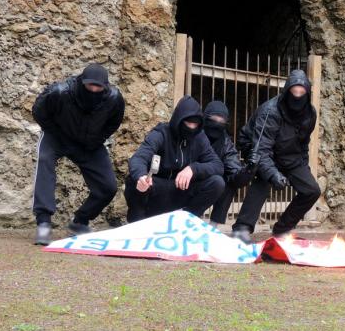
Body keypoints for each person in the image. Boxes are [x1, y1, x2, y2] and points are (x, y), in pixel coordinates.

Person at [31, 63, 125, 245]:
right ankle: (43, 222)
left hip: (88, 143)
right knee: (44, 161)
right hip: (57, 136)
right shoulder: (60, 92)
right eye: (90, 85)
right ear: (82, 82)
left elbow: (114, 122)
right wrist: (55, 133)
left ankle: (80, 221)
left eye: (99, 87)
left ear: (105, 87)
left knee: (108, 187)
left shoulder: (114, 98)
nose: (94, 90)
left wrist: (97, 140)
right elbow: (38, 111)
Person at [231, 70, 321, 242]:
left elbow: (303, 142)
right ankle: (241, 228)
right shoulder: (270, 111)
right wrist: (273, 174)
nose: (298, 96)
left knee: (312, 190)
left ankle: (282, 229)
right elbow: (262, 150)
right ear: (287, 91)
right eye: (294, 92)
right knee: (263, 178)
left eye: (302, 93)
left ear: (307, 94)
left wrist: (303, 167)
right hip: (257, 146)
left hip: (289, 152)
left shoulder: (310, 113)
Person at [124, 96, 225, 223]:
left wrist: (193, 169)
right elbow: (139, 158)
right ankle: (137, 224)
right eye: (188, 123)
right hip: (156, 191)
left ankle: (186, 221)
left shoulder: (199, 137)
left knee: (217, 182)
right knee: (134, 182)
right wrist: (141, 176)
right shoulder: (161, 133)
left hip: (181, 190)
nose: (192, 127)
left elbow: (217, 165)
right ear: (179, 119)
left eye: (196, 124)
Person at [200, 100, 257, 225]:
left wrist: (248, 170)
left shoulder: (225, 143)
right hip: (187, 181)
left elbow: (234, 170)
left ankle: (213, 226)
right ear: (205, 117)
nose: (217, 124)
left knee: (228, 183)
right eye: (214, 118)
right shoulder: (194, 134)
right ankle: (191, 219)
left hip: (211, 183)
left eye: (222, 122)